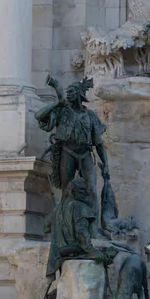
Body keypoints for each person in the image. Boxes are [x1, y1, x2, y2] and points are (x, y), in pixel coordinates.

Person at [35, 75, 109, 210]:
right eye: (67, 92)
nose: (68, 94)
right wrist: (57, 103)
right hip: (68, 153)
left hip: (85, 154)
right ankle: (66, 218)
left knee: (92, 189)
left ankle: (92, 220)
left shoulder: (90, 116)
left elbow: (98, 144)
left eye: (71, 92)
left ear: (80, 94)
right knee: (67, 190)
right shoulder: (61, 111)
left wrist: (106, 164)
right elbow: (38, 115)